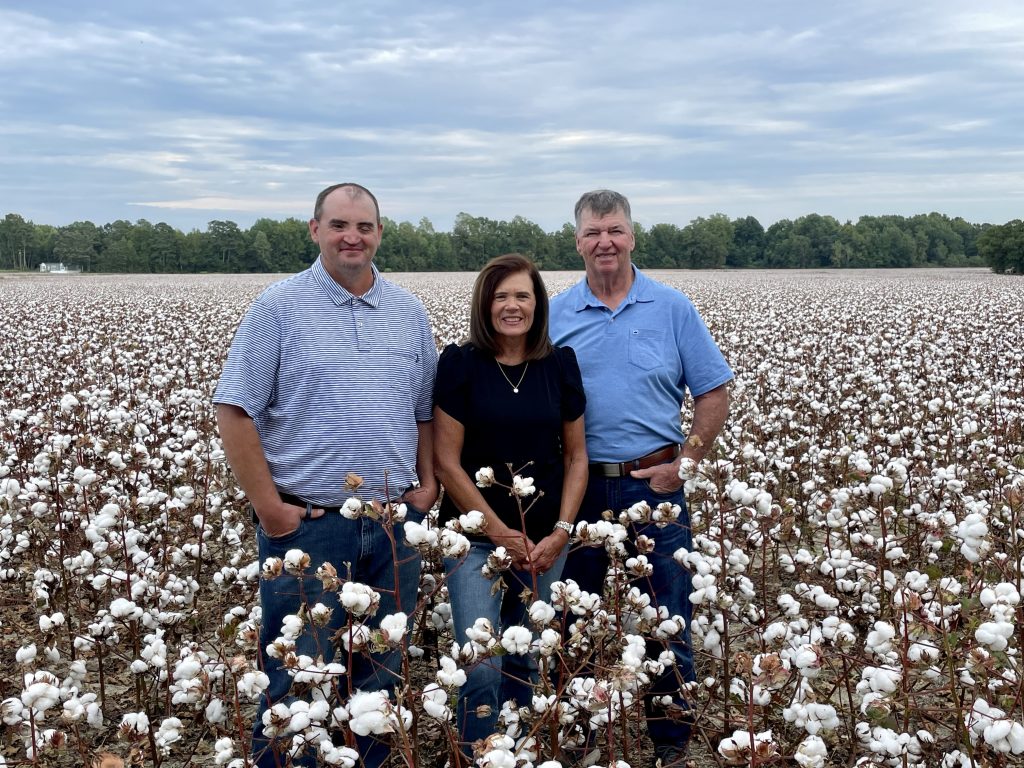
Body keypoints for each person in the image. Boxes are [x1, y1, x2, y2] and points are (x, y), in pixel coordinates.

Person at [213, 183, 438, 768]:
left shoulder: (408, 311)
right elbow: (235, 410)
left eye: (364, 226)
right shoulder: (278, 306)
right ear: (314, 229)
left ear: (380, 233)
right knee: (295, 678)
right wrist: (271, 510)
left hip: (392, 524)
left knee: (381, 675)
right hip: (309, 524)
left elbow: (423, 411)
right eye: (339, 224)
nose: (352, 237)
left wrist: (427, 485)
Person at [549, 190, 733, 768]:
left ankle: (670, 745)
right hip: (575, 490)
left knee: (667, 614)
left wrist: (690, 462)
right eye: (592, 232)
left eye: (615, 230)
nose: (605, 241)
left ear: (632, 236)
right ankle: (577, 734)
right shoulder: (553, 313)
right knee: (568, 616)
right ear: (576, 241)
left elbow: (712, 389)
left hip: (653, 486)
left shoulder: (672, 307)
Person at [433, 253, 588, 763]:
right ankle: (479, 750)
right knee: (480, 662)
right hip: (475, 541)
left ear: (538, 304)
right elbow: (447, 463)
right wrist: (499, 532)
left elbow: (576, 455)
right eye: (500, 296)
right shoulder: (460, 365)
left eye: (522, 295)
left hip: (546, 544)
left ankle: (522, 750)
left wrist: (562, 531)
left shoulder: (560, 365)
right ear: (485, 304)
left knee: (528, 657)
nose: (512, 306)